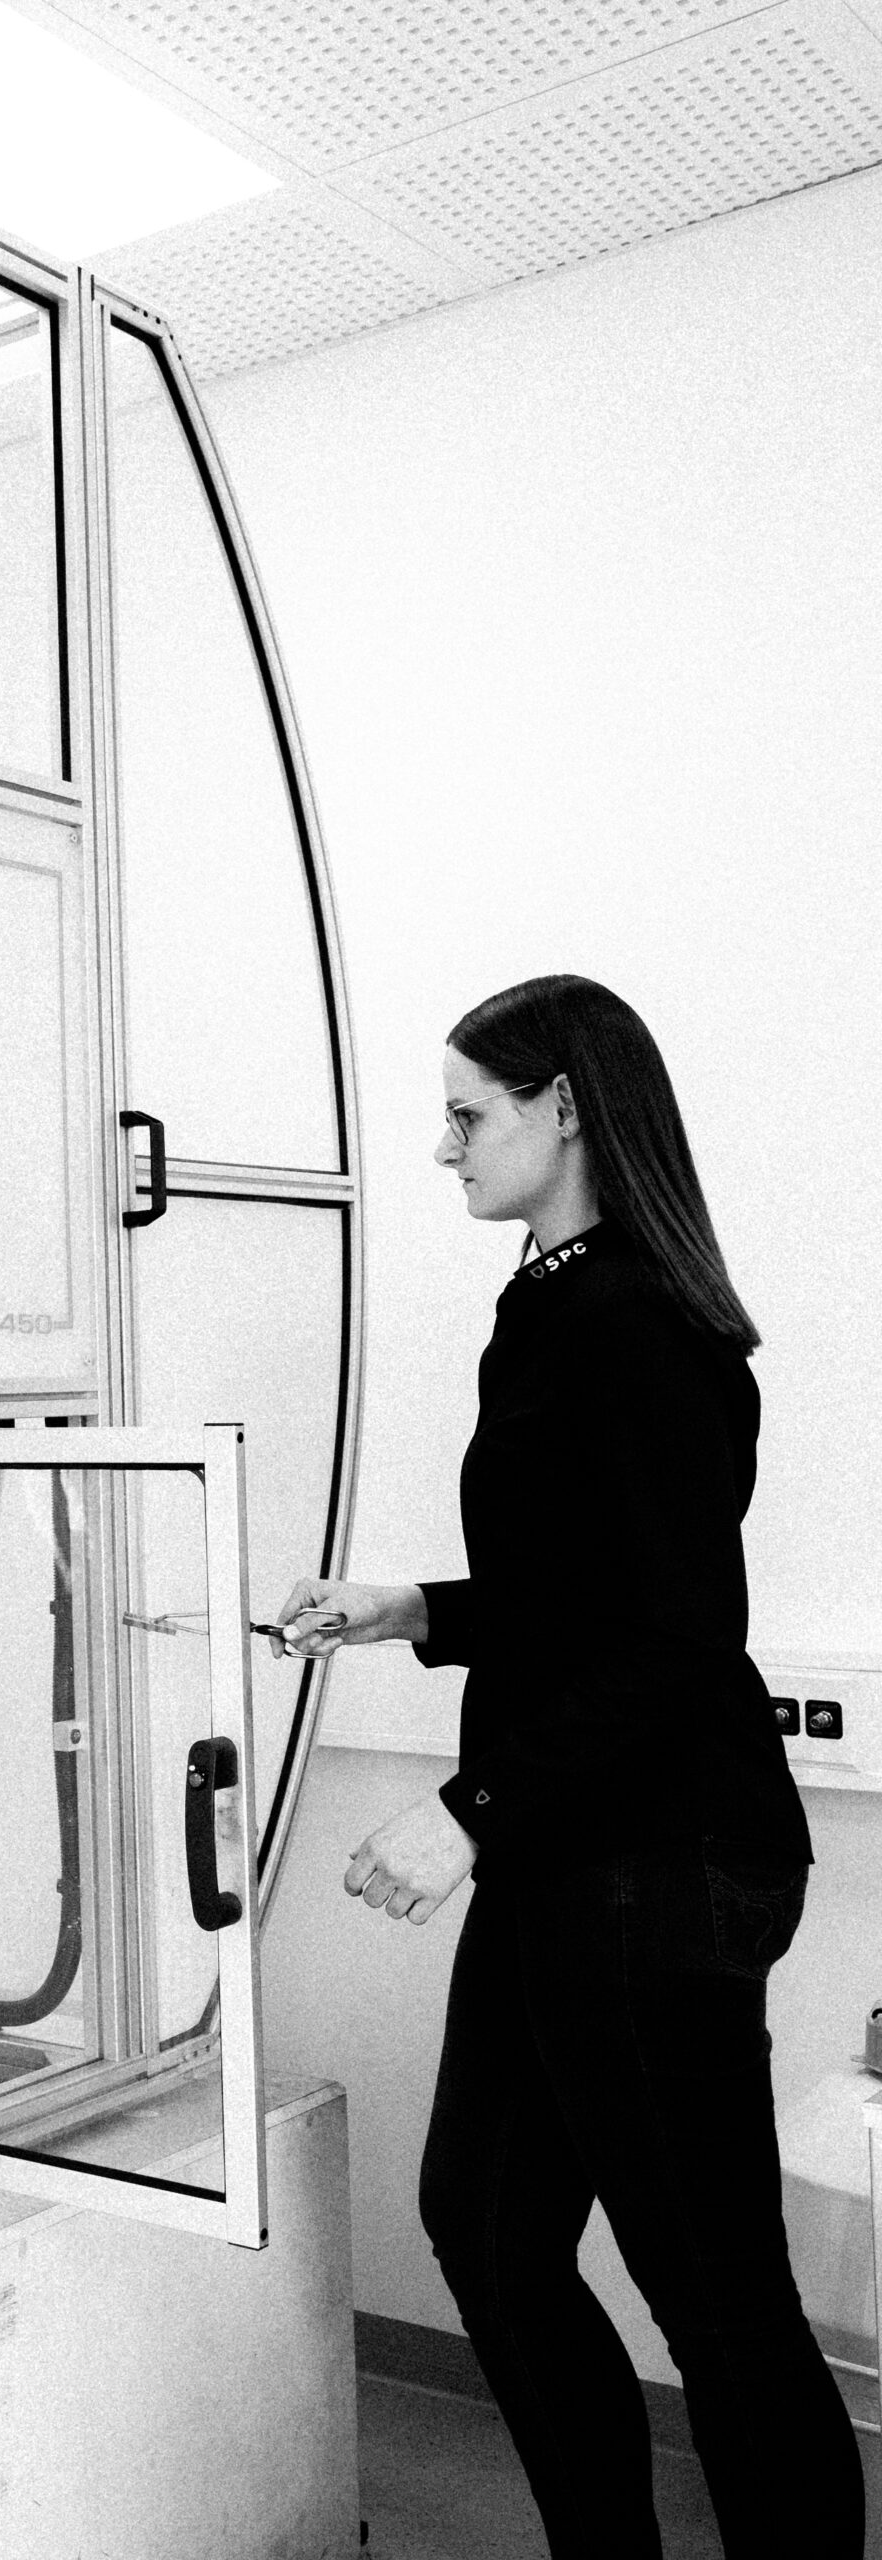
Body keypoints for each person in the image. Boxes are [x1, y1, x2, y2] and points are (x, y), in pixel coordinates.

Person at [273, 974, 863, 2559]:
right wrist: (414, 1608)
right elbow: (583, 1590)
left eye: (468, 1114)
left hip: (656, 1860)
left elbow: (676, 1637)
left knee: (717, 2297)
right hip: (574, 1848)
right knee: (487, 2223)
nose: (443, 1146)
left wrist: (468, 1814)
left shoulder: (638, 1326)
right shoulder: (553, 1301)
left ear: (566, 1108)